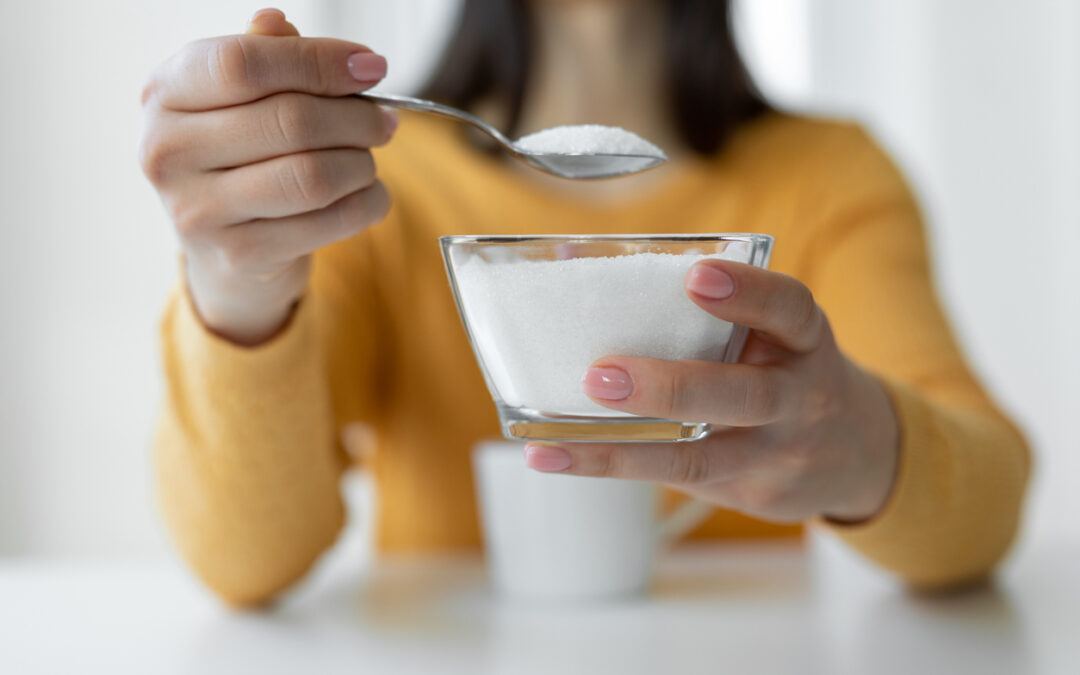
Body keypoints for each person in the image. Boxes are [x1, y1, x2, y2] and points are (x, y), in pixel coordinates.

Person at [140, 2, 1030, 607]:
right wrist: (236, 280)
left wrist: (867, 445)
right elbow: (245, 563)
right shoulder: (369, 187)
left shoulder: (831, 176)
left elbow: (986, 508)